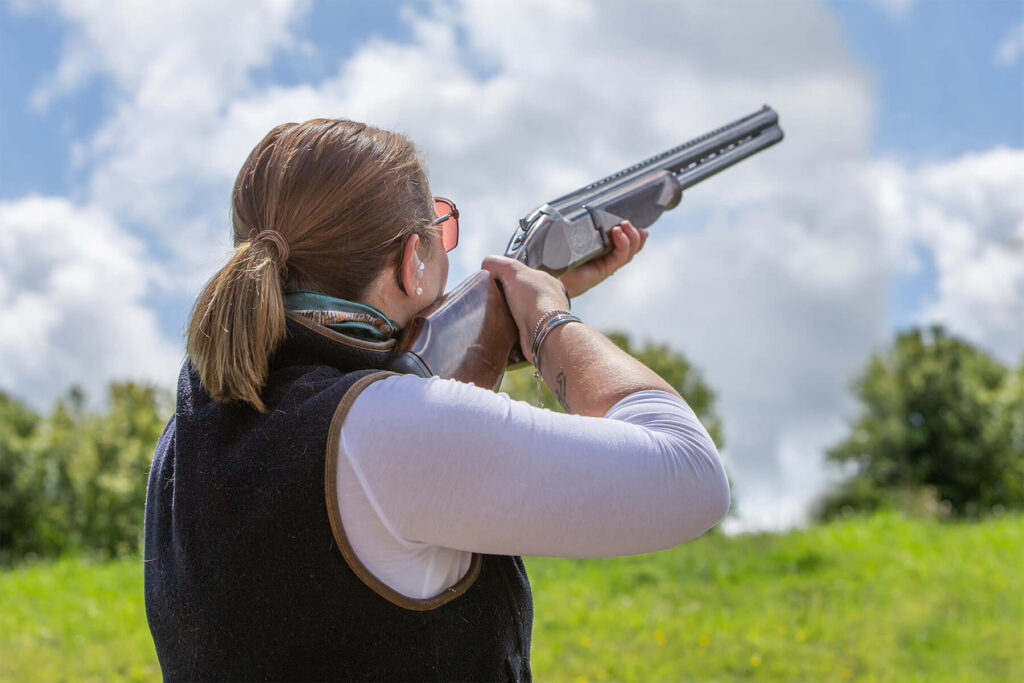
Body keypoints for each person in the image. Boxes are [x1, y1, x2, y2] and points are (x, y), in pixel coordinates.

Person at [144, 118, 729, 681]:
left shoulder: (193, 430)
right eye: (441, 228)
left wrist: (502, 336)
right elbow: (690, 472)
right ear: (412, 263)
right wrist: (551, 322)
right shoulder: (385, 428)